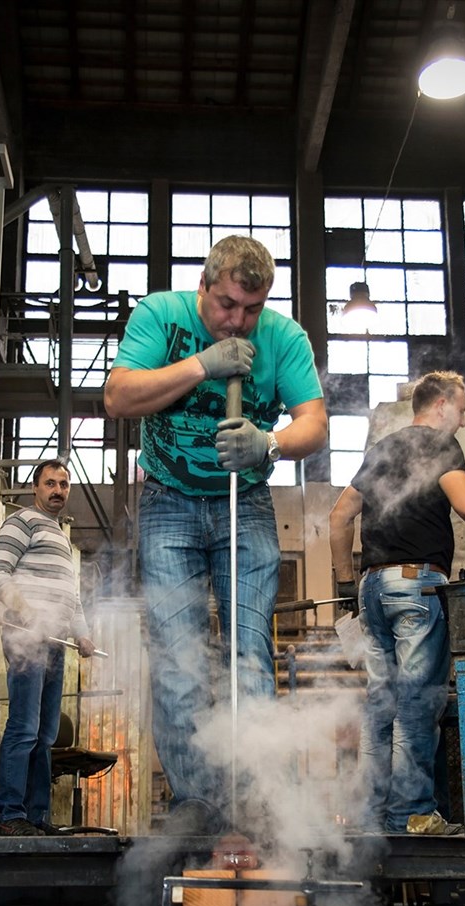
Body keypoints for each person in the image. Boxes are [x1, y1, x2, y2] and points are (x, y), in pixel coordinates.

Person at [105, 235, 328, 835]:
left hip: (244, 504)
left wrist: (270, 442)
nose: (239, 321)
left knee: (248, 657)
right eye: (227, 304)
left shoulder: (284, 338)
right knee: (178, 661)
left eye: (252, 309)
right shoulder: (162, 315)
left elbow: (314, 422)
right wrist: (205, 364)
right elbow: (118, 396)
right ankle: (195, 803)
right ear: (203, 286)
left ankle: (252, 801)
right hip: (167, 503)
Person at [328, 372, 465, 835]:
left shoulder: (380, 451)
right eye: (462, 410)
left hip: (372, 589)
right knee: (416, 704)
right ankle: (412, 815)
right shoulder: (439, 445)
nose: (463, 421)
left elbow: (338, 518)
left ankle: (372, 816)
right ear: (440, 405)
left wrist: (346, 583)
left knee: (381, 705)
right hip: (416, 586)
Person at [0, 459, 97, 837]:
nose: (57, 490)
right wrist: (27, 613)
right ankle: (9, 815)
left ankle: (36, 816)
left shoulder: (61, 536)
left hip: (54, 643)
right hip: (27, 639)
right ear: (35, 488)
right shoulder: (21, 522)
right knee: (24, 728)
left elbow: (71, 596)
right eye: (50, 483)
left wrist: (82, 634)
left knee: (46, 735)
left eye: (63, 485)